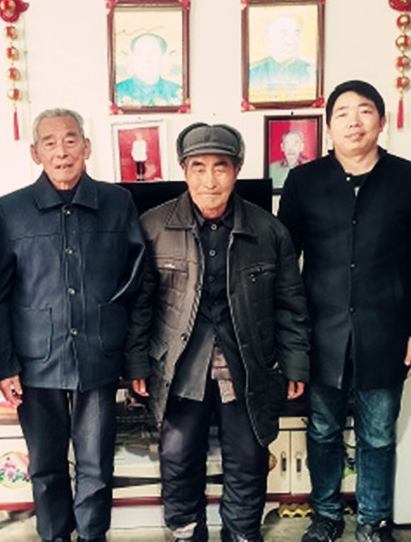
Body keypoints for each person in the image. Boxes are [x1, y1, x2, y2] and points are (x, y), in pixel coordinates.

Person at [126, 122, 311, 542]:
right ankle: (186, 532)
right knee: (177, 456)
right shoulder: (153, 226)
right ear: (184, 170)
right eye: (198, 167)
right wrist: (136, 361)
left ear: (237, 170)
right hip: (179, 365)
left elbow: (290, 304)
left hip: (246, 362)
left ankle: (242, 533)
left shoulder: (268, 231)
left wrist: (297, 363)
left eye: (221, 167)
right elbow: (140, 305)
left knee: (248, 457)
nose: (209, 180)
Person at [277, 80, 411, 542]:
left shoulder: (410, 179)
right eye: (342, 113)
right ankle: (326, 515)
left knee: (379, 434)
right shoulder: (303, 182)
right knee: (323, 431)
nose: (354, 121)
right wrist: (289, 337)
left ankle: (373, 519)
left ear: (381, 121)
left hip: (386, 331)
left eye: (365, 111)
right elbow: (285, 264)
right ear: (329, 127)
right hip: (320, 333)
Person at [0, 108, 146, 542]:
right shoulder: (10, 210)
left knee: (96, 463)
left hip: (98, 353)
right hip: (36, 361)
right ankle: (55, 535)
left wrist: (124, 344)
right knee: (45, 465)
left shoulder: (117, 203)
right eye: (50, 142)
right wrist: (5, 365)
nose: (61, 152)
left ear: (86, 147)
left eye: (71, 140)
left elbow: (137, 281)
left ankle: (93, 535)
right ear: (35, 152)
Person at [248, 13, 316, 102]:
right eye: (284, 34)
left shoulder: (312, 72)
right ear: (269, 39)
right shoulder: (253, 73)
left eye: (296, 34)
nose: (291, 41)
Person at [116, 32, 183, 107]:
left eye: (153, 53)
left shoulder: (177, 92)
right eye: (140, 53)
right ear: (133, 57)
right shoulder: (118, 91)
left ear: (163, 57)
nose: (147, 59)